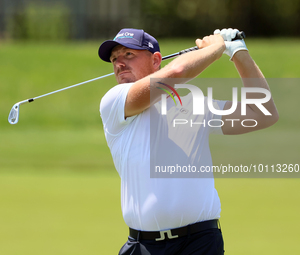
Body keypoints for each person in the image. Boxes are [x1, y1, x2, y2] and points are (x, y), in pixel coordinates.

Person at [98, 28, 278, 255]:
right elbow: (176, 72)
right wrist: (219, 45)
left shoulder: (194, 104)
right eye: (114, 59)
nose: (119, 63)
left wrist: (238, 51)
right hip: (144, 247)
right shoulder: (114, 102)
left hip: (200, 244)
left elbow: (264, 114)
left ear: (155, 60)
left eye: (128, 55)